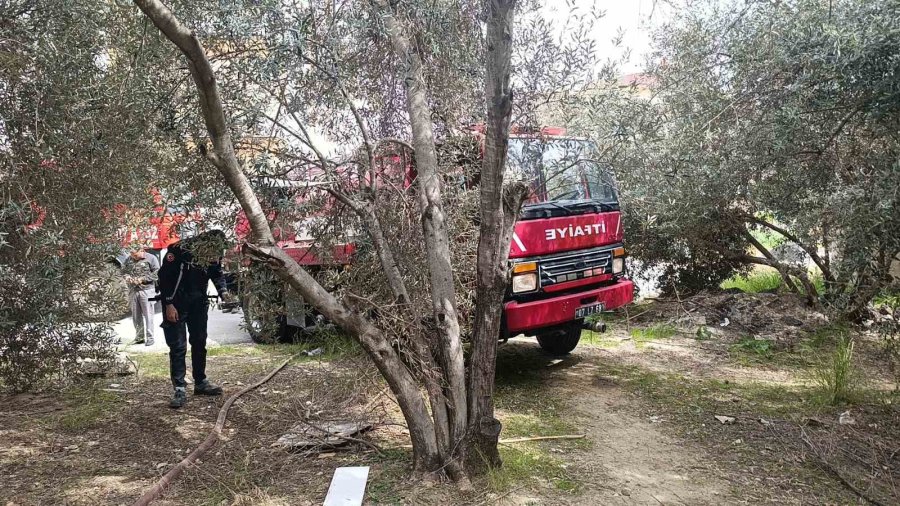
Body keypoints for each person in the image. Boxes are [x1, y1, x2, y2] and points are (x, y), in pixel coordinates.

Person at [158, 230, 234, 409]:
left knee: (199, 342)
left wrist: (223, 292)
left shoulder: (212, 254)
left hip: (198, 302)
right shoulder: (178, 251)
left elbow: (216, 273)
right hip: (176, 303)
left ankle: (200, 382)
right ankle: (179, 388)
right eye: (214, 250)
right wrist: (168, 304)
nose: (215, 255)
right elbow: (164, 278)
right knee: (178, 347)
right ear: (204, 244)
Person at [122, 245, 160, 346]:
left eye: (135, 255)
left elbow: (157, 273)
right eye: (132, 255)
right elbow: (123, 271)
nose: (133, 257)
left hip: (147, 290)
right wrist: (128, 277)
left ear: (141, 250)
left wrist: (142, 279)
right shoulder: (129, 259)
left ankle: (150, 338)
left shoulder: (151, 258)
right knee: (136, 316)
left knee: (148, 315)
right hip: (133, 291)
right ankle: (139, 337)